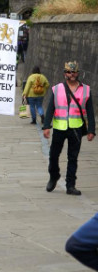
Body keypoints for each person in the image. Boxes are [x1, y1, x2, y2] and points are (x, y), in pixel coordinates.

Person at [43, 61, 95, 196]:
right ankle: (54, 176)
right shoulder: (57, 88)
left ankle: (70, 185)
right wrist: (46, 126)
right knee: (53, 156)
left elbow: (90, 111)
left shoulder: (86, 89)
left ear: (78, 73)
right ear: (64, 73)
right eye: (68, 72)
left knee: (73, 157)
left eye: (73, 72)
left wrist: (91, 130)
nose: (71, 74)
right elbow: (50, 108)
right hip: (60, 127)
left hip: (76, 128)